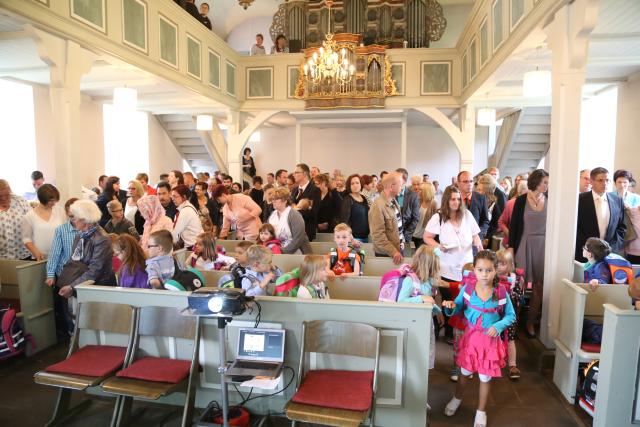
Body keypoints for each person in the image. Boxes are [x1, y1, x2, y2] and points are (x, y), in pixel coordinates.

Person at [442, 250, 516, 427]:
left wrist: (498, 326)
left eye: (489, 270)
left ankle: (481, 411)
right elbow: (458, 307)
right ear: (474, 270)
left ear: (495, 270)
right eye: (480, 270)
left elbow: (511, 316)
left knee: (484, 378)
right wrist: (450, 306)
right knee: (464, 373)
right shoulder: (467, 289)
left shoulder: (501, 291)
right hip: (471, 341)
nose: (484, 274)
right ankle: (457, 398)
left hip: (490, 344)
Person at [424, 185, 482, 344]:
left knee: (465, 298)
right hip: (447, 265)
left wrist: (479, 245)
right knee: (448, 300)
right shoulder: (439, 217)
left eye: (458, 199)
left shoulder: (467, 215)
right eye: (452, 199)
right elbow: (427, 237)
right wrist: (438, 246)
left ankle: (465, 330)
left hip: (467, 266)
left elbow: (475, 235)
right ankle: (449, 331)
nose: (456, 202)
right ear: (446, 200)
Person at [509, 169, 549, 337]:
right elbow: (514, 226)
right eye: (545, 182)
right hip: (524, 242)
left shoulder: (550, 200)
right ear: (536, 182)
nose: (547, 185)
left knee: (539, 285)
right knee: (519, 285)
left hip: (543, 245)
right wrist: (511, 248)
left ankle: (531, 322)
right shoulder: (521, 200)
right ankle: (513, 321)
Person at [57, 200, 117, 300]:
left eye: (74, 217)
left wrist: (72, 286)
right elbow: (74, 262)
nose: (72, 221)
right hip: (83, 286)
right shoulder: (80, 235)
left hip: (99, 289)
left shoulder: (101, 239)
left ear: (85, 219)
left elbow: (95, 270)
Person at [397, 245, 443, 371]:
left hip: (425, 321)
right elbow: (400, 301)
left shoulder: (428, 280)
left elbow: (433, 296)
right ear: (427, 265)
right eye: (435, 266)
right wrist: (421, 298)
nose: (438, 268)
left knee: (426, 347)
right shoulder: (409, 280)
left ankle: (423, 372)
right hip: (412, 323)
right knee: (414, 351)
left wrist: (438, 312)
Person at [575, 167, 625, 262]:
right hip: (585, 254)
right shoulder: (579, 200)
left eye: (607, 180)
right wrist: (588, 247)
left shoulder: (617, 200)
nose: (605, 183)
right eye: (600, 180)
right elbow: (575, 227)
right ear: (591, 181)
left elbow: (621, 228)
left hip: (609, 254)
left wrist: (612, 248)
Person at [496, 249, 524, 381]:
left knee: (511, 340)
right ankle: (494, 361)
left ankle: (512, 365)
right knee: (494, 339)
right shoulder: (491, 278)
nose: (500, 267)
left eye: (503, 264)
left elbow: (518, 296)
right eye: (497, 264)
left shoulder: (514, 279)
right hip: (495, 314)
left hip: (509, 314)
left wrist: (513, 291)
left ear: (509, 264)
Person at [22, 184, 66, 260]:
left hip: (60, 256)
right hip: (41, 258)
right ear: (42, 199)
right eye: (51, 201)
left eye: (55, 200)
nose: (54, 203)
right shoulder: (29, 216)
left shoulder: (60, 211)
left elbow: (66, 231)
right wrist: (35, 251)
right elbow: (26, 238)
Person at [369, 172, 404, 264]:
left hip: (397, 250)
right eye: (400, 185)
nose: (402, 187)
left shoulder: (393, 201)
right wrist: (393, 251)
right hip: (387, 254)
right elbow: (378, 236)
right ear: (392, 187)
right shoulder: (377, 206)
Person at [45, 198, 79, 286]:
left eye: (77, 215)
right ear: (67, 213)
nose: (75, 219)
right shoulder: (61, 230)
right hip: (65, 272)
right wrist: (50, 275)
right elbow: (54, 253)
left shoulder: (89, 228)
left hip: (84, 273)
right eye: (71, 216)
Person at [269, 187, 311, 254]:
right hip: (277, 249)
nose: (273, 201)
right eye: (273, 199)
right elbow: (268, 233)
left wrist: (283, 251)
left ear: (285, 200)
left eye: (276, 199)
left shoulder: (294, 215)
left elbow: (298, 239)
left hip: (296, 250)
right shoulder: (272, 215)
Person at [0, 179, 32, 260]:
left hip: (25, 253)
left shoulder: (20, 201)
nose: (3, 198)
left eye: (6, 195)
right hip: (3, 257)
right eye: (0, 196)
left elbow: (33, 220)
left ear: (10, 191)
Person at [291, 163, 321, 241]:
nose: (293, 174)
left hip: (307, 229)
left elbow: (312, 212)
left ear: (304, 174)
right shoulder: (294, 190)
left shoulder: (315, 190)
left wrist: (295, 210)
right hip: (293, 229)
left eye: (296, 172)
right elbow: (290, 207)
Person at [457, 171, 490, 241]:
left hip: (475, 241)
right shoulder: (453, 199)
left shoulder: (481, 198)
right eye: (465, 181)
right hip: (457, 240)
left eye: (471, 181)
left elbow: (485, 220)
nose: (469, 184)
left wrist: (478, 235)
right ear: (458, 183)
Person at [497, 180, 528, 248]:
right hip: (510, 242)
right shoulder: (511, 203)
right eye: (525, 194)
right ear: (519, 193)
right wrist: (509, 233)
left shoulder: (532, 205)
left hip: (526, 242)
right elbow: (501, 222)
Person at [171, 184, 204, 249]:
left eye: (175, 196)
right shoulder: (188, 207)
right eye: (172, 196)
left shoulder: (186, 211)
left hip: (193, 247)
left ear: (184, 197)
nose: (172, 199)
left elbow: (175, 234)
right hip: (197, 245)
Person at [340, 174, 370, 243]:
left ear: (361, 184)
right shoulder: (347, 200)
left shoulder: (364, 198)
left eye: (357, 183)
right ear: (349, 186)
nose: (355, 185)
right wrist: (351, 239)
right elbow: (344, 222)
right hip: (353, 239)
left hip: (365, 237)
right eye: (352, 183)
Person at [476, 174, 502, 248]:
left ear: (487, 190)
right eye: (477, 189)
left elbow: (496, 224)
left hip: (488, 240)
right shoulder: (475, 202)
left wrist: (487, 238)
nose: (477, 192)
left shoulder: (494, 205)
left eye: (480, 190)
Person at [412, 182, 438, 249]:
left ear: (426, 192)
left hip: (425, 238)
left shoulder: (434, 205)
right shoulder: (417, 201)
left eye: (420, 189)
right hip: (413, 235)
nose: (418, 191)